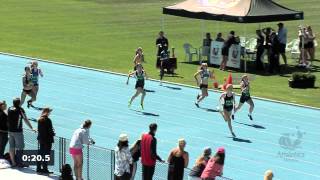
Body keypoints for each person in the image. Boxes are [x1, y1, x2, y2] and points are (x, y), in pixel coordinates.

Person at [7, 98, 35, 166]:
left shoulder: (9, 108)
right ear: (19, 103)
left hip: (10, 131)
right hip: (18, 131)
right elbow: (25, 119)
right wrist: (32, 128)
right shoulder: (20, 110)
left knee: (11, 147)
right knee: (20, 147)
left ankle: (13, 162)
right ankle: (19, 163)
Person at [37, 107, 55, 174]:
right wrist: (53, 133)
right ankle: (45, 168)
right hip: (47, 140)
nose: (50, 113)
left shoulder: (39, 119)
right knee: (46, 154)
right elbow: (50, 131)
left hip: (41, 139)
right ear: (47, 112)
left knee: (40, 153)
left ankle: (38, 168)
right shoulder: (48, 120)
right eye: (49, 112)